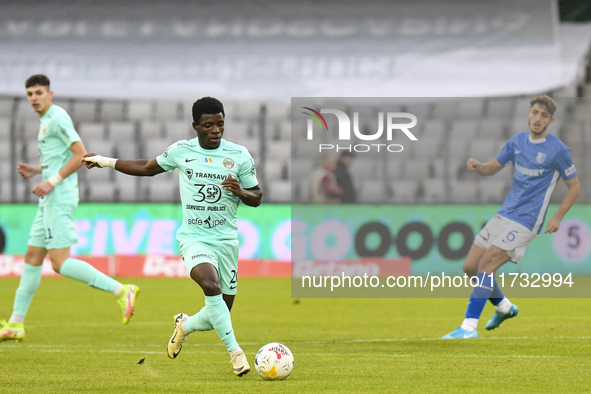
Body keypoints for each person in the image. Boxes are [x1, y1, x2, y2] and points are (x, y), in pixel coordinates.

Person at [83, 96, 262, 377]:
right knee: (210, 286)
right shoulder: (182, 151)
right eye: (208, 125)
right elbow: (146, 168)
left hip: (226, 241)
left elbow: (257, 197)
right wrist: (105, 161)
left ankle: (185, 325)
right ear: (195, 126)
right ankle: (235, 353)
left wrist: (242, 192)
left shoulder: (239, 155)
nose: (215, 130)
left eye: (220, 124)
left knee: (220, 312)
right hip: (194, 238)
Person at [0, 75, 139, 342]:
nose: (33, 98)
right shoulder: (45, 121)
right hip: (50, 197)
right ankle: (16, 324)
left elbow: (80, 154)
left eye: (38, 92)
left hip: (59, 196)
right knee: (31, 257)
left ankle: (122, 290)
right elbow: (60, 157)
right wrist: (37, 169)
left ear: (50, 93)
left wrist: (50, 181)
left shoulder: (57, 117)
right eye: (29, 94)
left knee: (59, 263)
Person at [442, 95, 580, 339]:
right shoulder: (517, 141)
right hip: (505, 213)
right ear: (528, 113)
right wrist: (478, 166)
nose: (538, 119)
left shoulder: (558, 150)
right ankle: (504, 307)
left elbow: (574, 187)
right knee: (471, 267)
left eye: (544, 115)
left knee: (487, 264)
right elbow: (493, 167)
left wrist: (558, 216)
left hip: (528, 220)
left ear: (551, 120)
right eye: (535, 112)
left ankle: (468, 328)